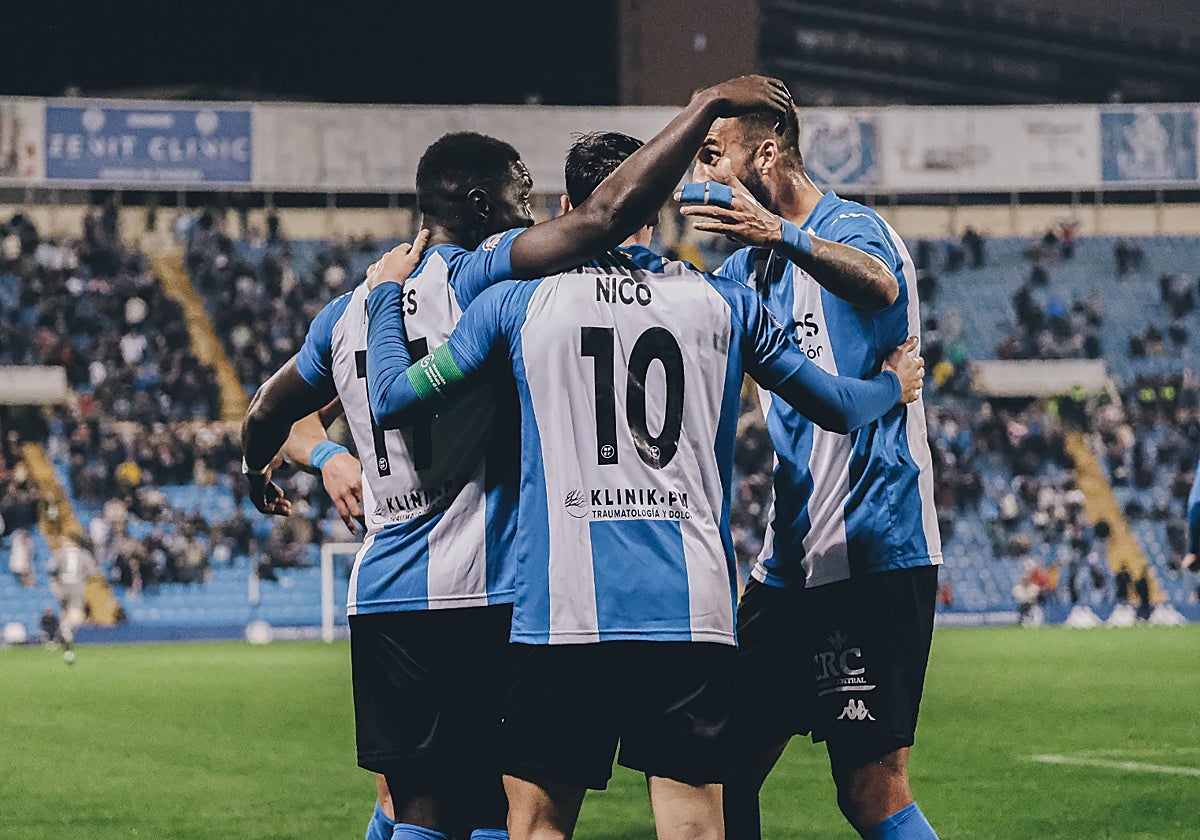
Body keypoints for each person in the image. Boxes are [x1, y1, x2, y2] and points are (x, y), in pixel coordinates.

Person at [244, 76, 796, 840]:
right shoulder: (499, 275)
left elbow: (273, 413)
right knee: (501, 810)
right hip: (504, 588)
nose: (528, 208)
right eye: (518, 193)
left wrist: (319, 458)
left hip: (396, 595)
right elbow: (604, 218)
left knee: (420, 803)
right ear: (482, 206)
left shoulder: (351, 311)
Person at [363, 128, 923, 839]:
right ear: (656, 208)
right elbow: (838, 407)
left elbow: (393, 400)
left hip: (563, 611)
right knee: (693, 829)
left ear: (566, 207)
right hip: (689, 611)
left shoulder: (516, 305)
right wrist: (890, 385)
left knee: (535, 827)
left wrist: (386, 301)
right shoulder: (724, 303)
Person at [679, 107, 941, 839]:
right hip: (787, 565)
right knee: (719, 768)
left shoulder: (854, 229)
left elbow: (880, 286)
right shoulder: (742, 273)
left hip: (871, 548)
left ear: (766, 155)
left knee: (869, 789)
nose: (701, 177)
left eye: (711, 154)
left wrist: (782, 234)